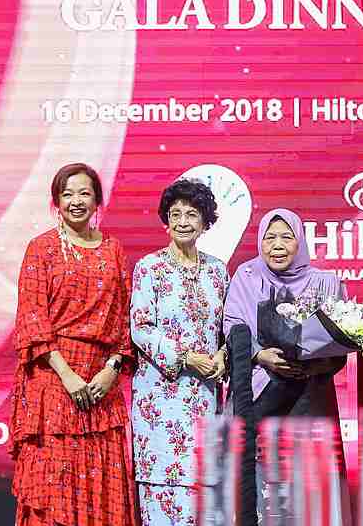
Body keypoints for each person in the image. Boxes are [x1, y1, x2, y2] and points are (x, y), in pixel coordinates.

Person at [10, 163, 136, 526]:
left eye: (84, 193)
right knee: (55, 492)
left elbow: (127, 319)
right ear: (56, 202)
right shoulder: (42, 249)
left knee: (102, 488)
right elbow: (32, 320)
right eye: (67, 194)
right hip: (55, 384)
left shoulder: (113, 250)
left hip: (102, 386)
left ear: (97, 200)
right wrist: (68, 377)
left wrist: (112, 370)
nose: (76, 201)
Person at [223, 208, 350, 526]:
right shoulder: (246, 275)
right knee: (262, 485)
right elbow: (232, 326)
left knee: (308, 487)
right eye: (269, 237)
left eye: (286, 237)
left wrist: (314, 363)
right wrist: (259, 355)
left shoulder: (326, 281)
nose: (276, 245)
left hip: (311, 397)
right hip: (259, 396)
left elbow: (344, 335)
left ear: (301, 242)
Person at [130, 178, 228, 526]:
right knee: (163, 495)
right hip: (160, 399)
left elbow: (226, 328)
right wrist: (186, 356)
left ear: (205, 222)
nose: (183, 221)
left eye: (192, 214)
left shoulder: (217, 271)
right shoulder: (149, 268)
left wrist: (222, 356)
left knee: (207, 496)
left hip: (204, 398)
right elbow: (141, 328)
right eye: (175, 214)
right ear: (165, 220)